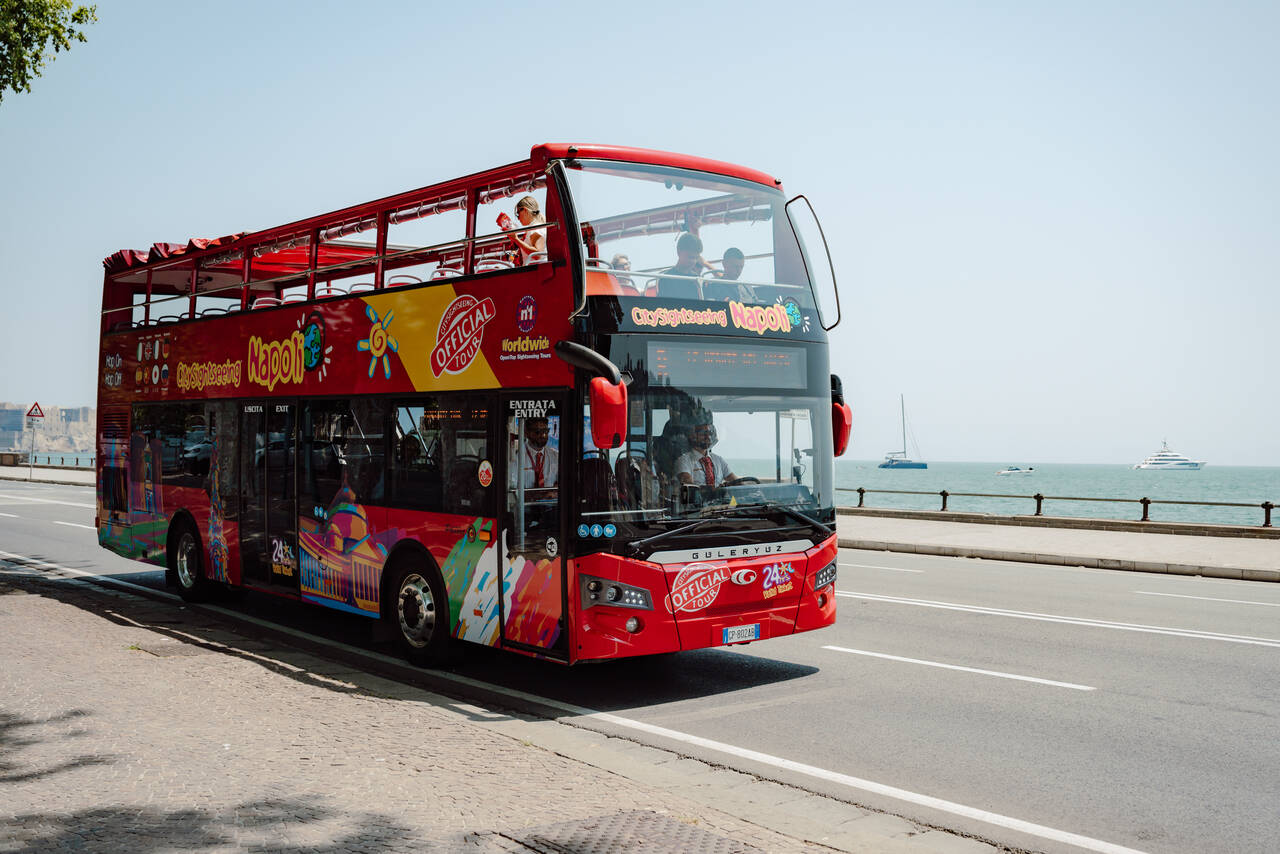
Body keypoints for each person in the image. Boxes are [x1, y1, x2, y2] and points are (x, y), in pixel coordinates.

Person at [676, 413, 737, 487]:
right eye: (703, 433)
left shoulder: (718, 460)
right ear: (692, 436)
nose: (708, 437)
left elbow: (736, 481)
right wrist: (716, 490)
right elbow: (689, 486)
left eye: (709, 433)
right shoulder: (684, 461)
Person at [656, 232, 712, 299]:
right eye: (690, 257)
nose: (693, 261)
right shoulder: (666, 279)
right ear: (679, 252)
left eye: (696, 258)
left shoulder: (699, 280)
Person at [517, 417, 558, 489]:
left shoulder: (555, 456)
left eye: (546, 431)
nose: (543, 435)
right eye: (538, 432)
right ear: (527, 433)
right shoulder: (517, 456)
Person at [511, 196, 547, 264]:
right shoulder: (536, 227)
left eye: (518, 213)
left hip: (538, 269)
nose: (518, 218)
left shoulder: (535, 228)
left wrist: (516, 239)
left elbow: (537, 255)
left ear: (525, 210)